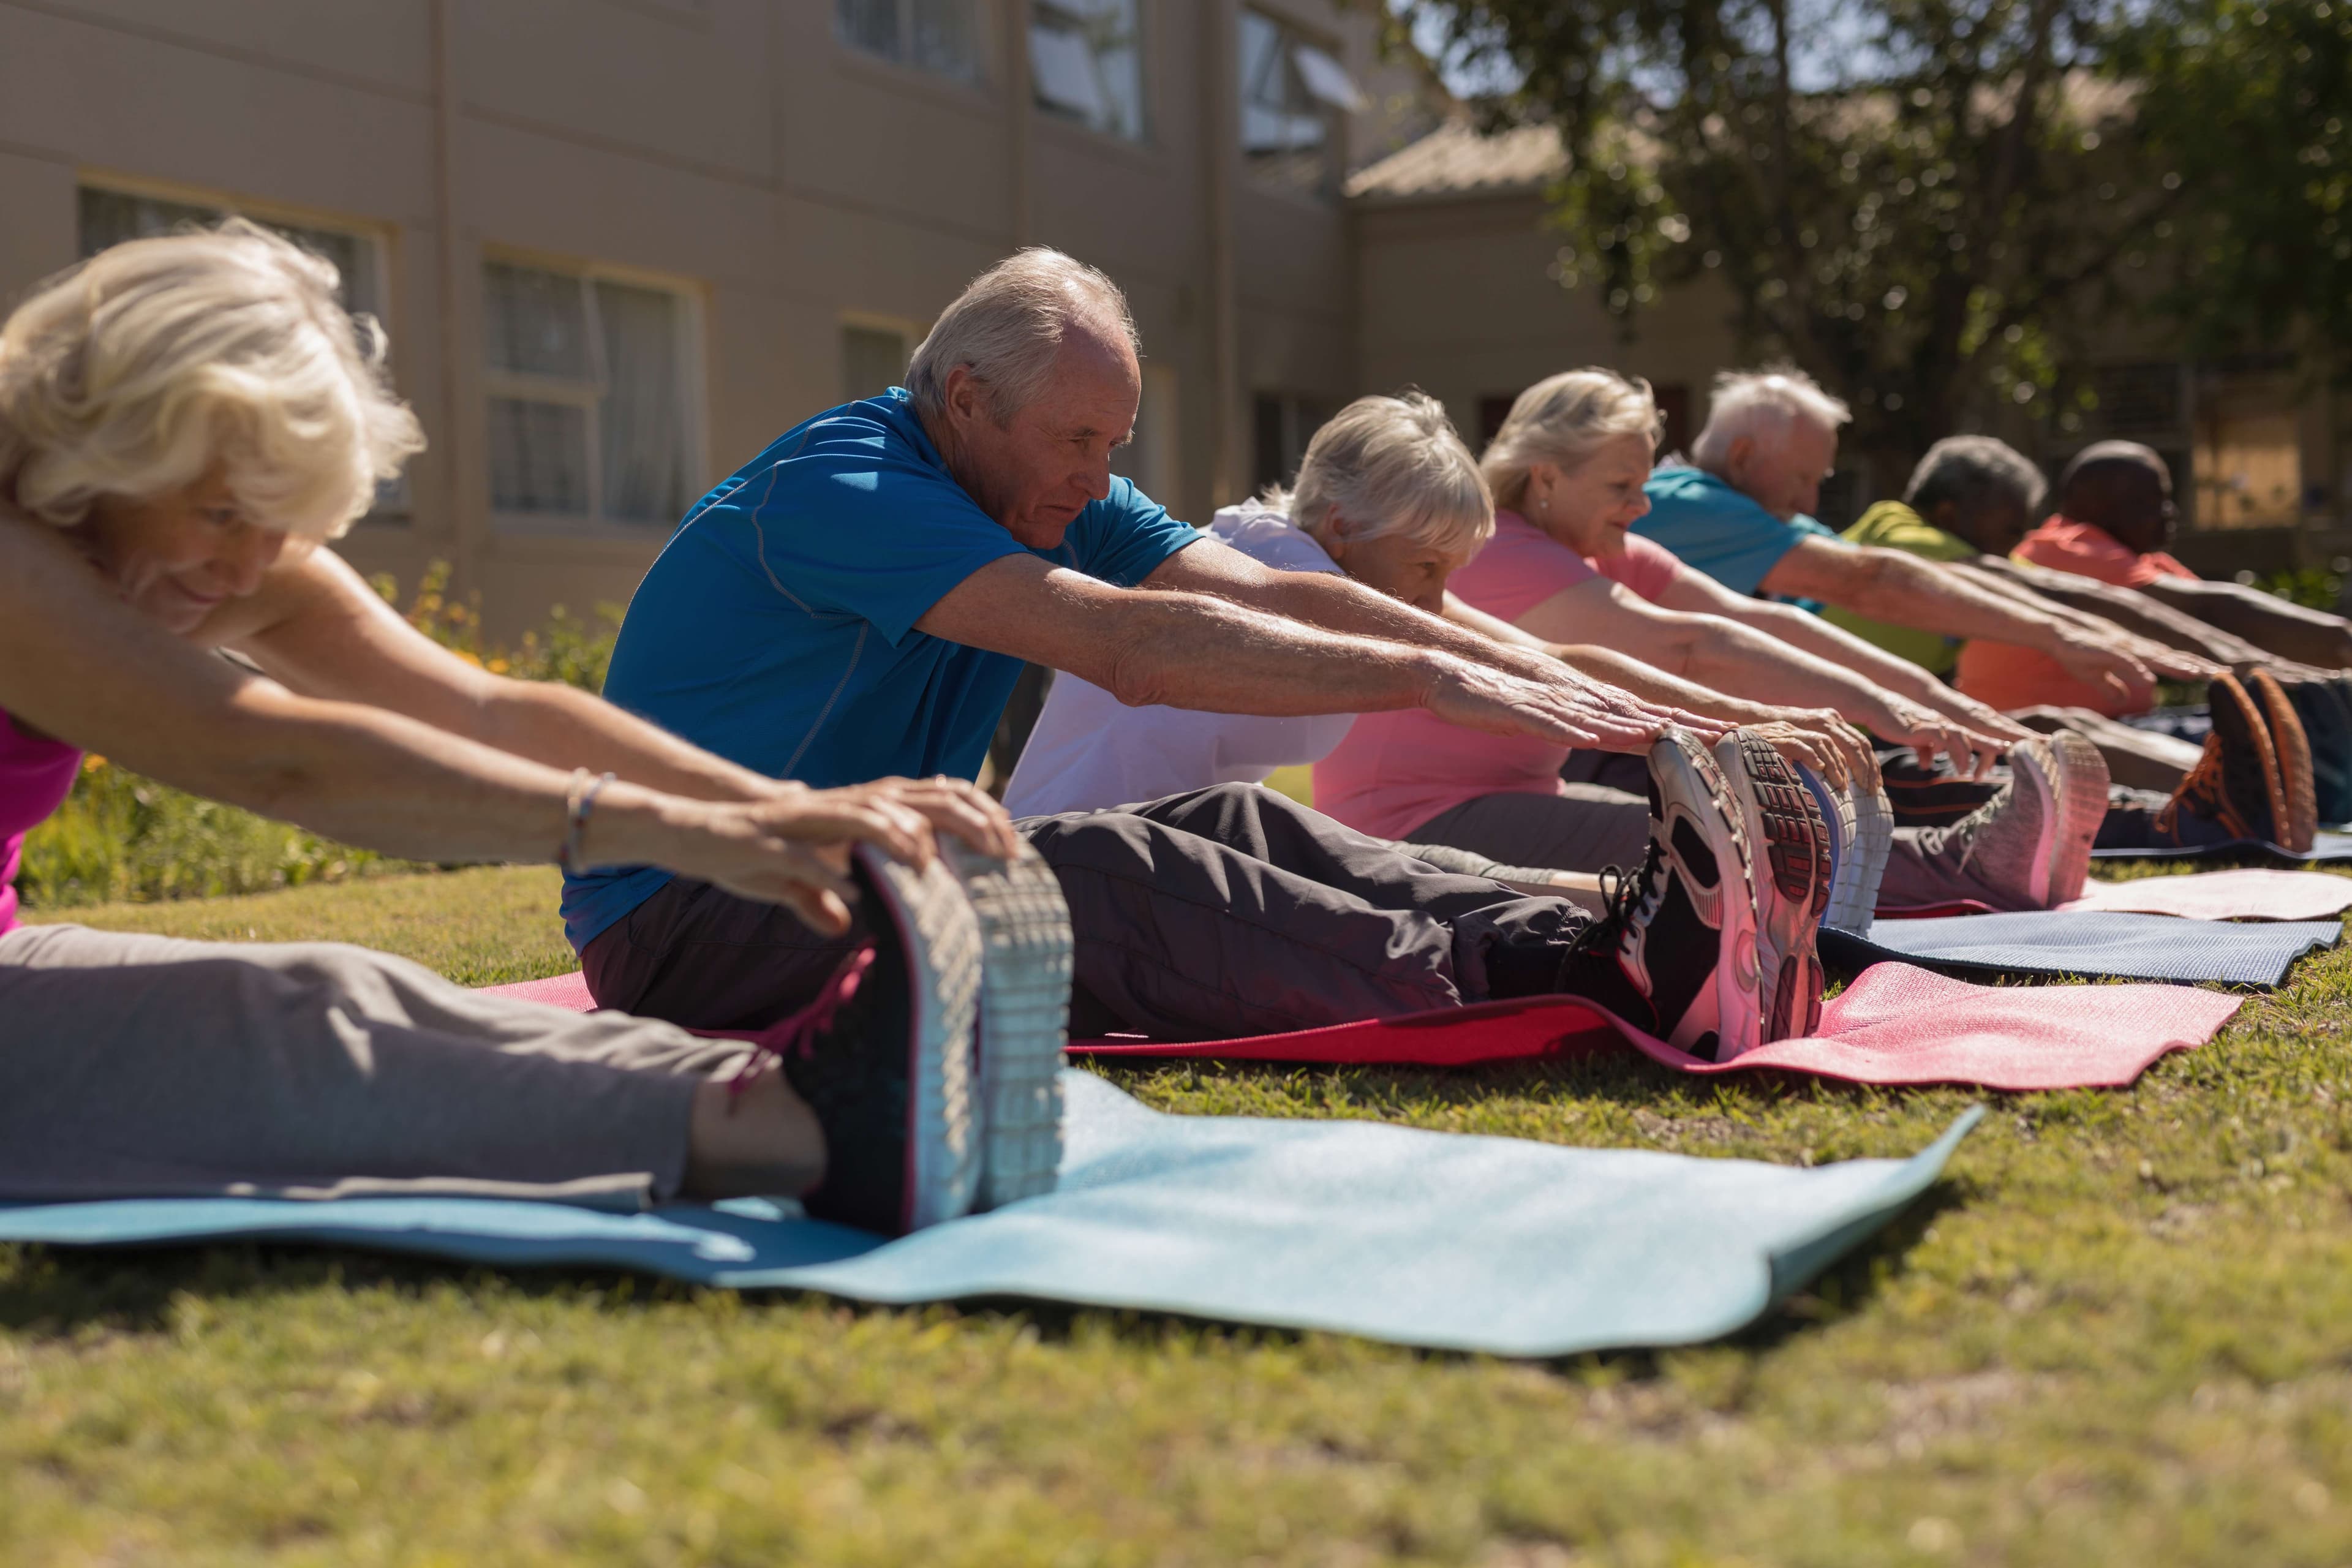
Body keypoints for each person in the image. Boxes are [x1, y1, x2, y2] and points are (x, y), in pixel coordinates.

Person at [0, 222, 1046, 1237]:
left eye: (278, 525)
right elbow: (269, 756)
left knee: (366, 995)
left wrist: (782, 810)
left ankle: (802, 1104)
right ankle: (811, 1142)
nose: (245, 569)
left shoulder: (168, 545)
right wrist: (672, 831)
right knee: (295, 1023)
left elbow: (485, 709)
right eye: (222, 515)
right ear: (117, 441)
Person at [576, 249, 1807, 1061]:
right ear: (964, 401)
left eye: (1113, 442)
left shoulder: (1037, 486)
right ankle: (1576, 970)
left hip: (850, 875)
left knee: (1232, 815)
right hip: (693, 918)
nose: (1097, 475)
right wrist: (1437, 675)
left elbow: (1278, 593)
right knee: (1090, 872)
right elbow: (1131, 646)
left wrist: (1541, 681)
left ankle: (1618, 926)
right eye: (1076, 438)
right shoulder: (844, 487)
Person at [1316, 371, 2108, 919]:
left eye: (1643, 485)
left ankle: (1970, 860)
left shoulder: (1603, 545)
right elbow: (1684, 649)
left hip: (1503, 799)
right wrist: (1844, 715)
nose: (1640, 508)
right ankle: (1968, 867)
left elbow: (1761, 622)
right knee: (1731, 839)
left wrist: (1925, 703)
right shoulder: (1505, 549)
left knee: (1751, 817)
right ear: (1547, 477)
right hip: (1415, 824)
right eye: (1622, 488)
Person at [1632, 369, 2213, 712]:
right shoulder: (1690, 504)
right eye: (1803, 479)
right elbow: (1869, 583)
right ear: (1742, 456)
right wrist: (2059, 635)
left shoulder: (1756, 514)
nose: (1811, 502)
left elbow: (1871, 581)